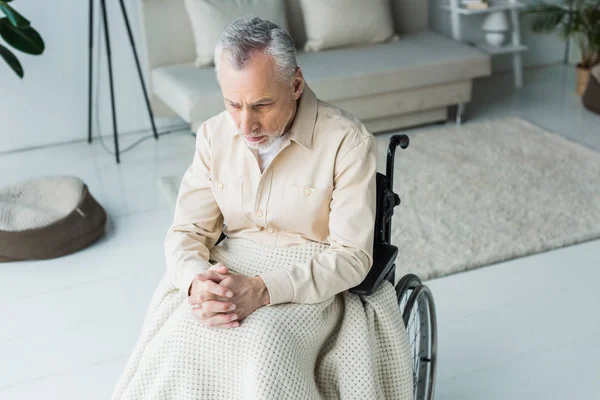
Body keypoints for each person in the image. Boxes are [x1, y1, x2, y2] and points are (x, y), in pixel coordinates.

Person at [112, 16, 413, 400]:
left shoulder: (347, 141)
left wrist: (262, 290)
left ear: (296, 84)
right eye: (233, 104)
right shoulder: (213, 135)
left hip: (312, 274)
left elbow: (353, 257)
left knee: (265, 347)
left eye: (262, 104)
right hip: (231, 262)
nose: (245, 123)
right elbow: (187, 233)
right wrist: (196, 281)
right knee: (181, 339)